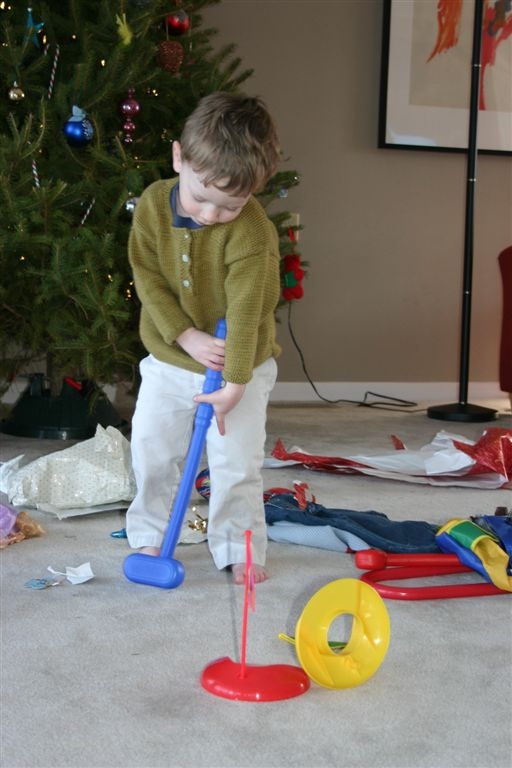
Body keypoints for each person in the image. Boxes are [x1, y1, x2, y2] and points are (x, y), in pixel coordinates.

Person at [125, 91, 282, 584]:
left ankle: (238, 545)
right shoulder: (152, 205)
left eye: (230, 205)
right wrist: (184, 335)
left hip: (242, 363)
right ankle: (149, 532)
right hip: (172, 356)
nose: (211, 214)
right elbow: (146, 274)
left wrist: (234, 383)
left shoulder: (253, 234)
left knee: (236, 461)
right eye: (200, 196)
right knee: (152, 447)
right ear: (179, 157)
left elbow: (247, 311)